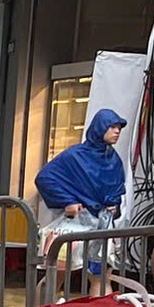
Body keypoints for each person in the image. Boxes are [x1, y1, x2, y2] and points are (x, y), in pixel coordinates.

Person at [35, 107, 127, 292]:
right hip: (74, 224)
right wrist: (67, 201)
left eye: (119, 127)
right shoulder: (74, 155)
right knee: (56, 274)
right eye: (112, 127)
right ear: (100, 128)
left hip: (102, 224)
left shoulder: (114, 159)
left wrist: (114, 206)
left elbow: (117, 189)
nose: (117, 131)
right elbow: (45, 178)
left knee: (102, 278)